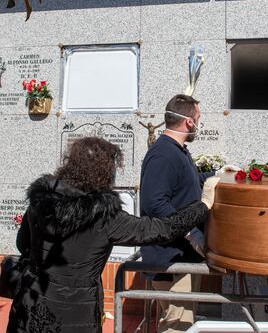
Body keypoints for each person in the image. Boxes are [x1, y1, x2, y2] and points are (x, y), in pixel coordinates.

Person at [7, 137, 219, 333]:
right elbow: (162, 229)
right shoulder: (104, 216)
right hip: (76, 311)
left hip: (30, 302)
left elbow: (21, 243)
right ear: (103, 173)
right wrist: (203, 206)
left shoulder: (41, 200)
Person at [140, 94, 237, 333]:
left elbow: (187, 185)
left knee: (185, 322)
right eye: (199, 118)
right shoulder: (163, 154)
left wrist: (215, 174)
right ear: (189, 122)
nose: (199, 124)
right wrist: (192, 233)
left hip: (182, 255)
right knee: (176, 324)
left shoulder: (177, 150)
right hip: (171, 258)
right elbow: (156, 204)